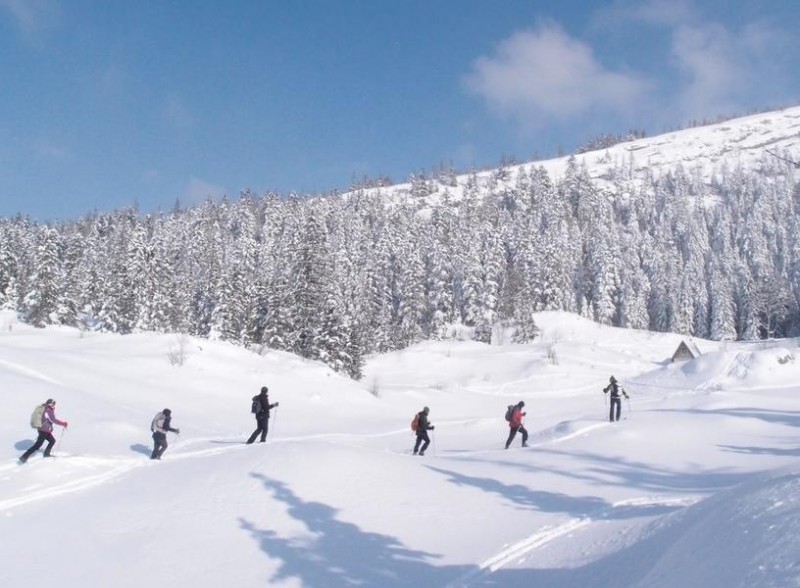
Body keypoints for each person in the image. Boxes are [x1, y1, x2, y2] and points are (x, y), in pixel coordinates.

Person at [19, 398, 68, 463]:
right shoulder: (48, 410)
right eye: (53, 404)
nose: (54, 405)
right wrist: (63, 423)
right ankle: (24, 457)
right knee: (38, 445)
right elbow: (53, 420)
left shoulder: (44, 408)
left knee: (52, 441)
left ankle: (46, 454)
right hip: (44, 430)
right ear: (50, 404)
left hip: (44, 430)